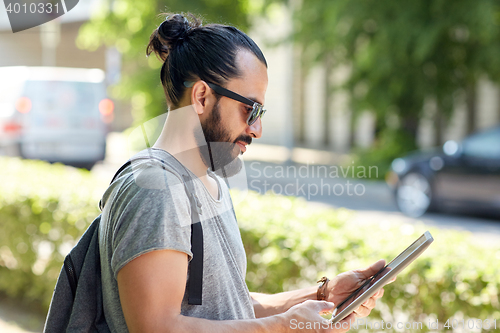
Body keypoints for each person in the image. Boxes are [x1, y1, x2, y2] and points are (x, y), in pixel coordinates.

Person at [98, 12, 387, 333]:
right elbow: (159, 327)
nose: (258, 128)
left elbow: (228, 306)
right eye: (252, 109)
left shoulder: (210, 183)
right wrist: (283, 326)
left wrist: (323, 295)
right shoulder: (155, 189)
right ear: (202, 96)